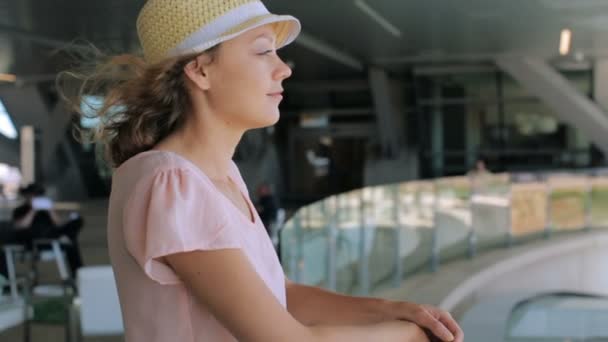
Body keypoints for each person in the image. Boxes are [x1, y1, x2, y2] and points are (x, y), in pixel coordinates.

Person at [61, 1, 463, 341]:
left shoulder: (218, 176)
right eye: (262, 51)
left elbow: (280, 295)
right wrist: (406, 334)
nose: (284, 69)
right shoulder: (172, 182)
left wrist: (394, 310)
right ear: (200, 71)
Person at [8, 183, 84, 277]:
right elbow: (20, 226)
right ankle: (67, 238)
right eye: (32, 196)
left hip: (51, 236)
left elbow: (58, 224)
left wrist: (50, 210)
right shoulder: (20, 210)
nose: (35, 198)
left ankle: (77, 275)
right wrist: (32, 210)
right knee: (70, 242)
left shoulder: (46, 210)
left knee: (76, 222)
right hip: (33, 240)